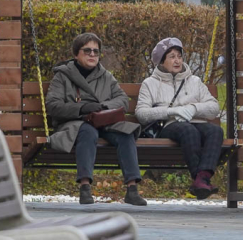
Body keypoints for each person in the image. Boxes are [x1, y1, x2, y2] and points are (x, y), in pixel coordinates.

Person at [45, 33, 147, 206]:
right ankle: (85, 187)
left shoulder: (106, 76)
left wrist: (102, 107)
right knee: (87, 131)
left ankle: (132, 189)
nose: (92, 55)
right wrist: (82, 108)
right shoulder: (63, 76)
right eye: (87, 51)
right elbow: (53, 106)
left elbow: (122, 100)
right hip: (76, 122)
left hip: (103, 121)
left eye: (96, 51)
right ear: (76, 54)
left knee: (126, 132)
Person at [136, 38, 224, 199]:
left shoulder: (194, 81)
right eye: (171, 56)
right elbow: (142, 114)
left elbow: (214, 108)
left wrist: (194, 108)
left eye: (179, 56)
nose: (177, 60)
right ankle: (201, 180)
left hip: (197, 121)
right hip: (170, 125)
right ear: (162, 62)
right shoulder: (150, 83)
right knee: (188, 130)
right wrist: (172, 111)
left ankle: (201, 178)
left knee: (215, 131)